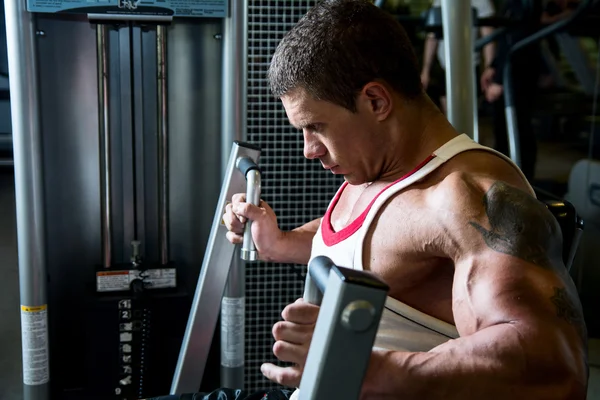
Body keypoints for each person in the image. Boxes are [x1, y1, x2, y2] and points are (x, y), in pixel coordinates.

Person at [150, 1, 588, 399]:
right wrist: (280, 241)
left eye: (316, 127)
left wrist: (373, 369)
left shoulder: (466, 196)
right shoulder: (380, 167)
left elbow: (554, 365)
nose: (308, 149)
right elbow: (376, 249)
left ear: (376, 100)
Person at [420, 0, 497, 114]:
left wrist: (489, 67)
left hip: (468, 66)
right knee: (449, 115)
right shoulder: (440, 2)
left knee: (465, 113)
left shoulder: (481, 2)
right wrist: (425, 71)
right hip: (444, 65)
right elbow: (432, 39)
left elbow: (489, 38)